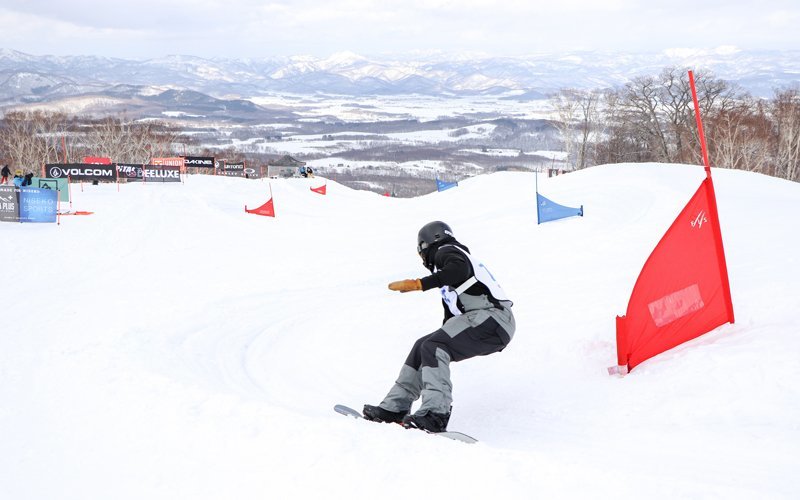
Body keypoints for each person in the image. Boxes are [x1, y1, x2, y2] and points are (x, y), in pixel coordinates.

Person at [363, 221, 515, 433]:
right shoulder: (452, 260)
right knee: (423, 345)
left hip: (492, 318)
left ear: (425, 246)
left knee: (433, 346)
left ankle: (436, 414)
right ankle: (394, 408)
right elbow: (452, 320)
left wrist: (420, 284)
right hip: (486, 321)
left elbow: (458, 269)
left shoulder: (445, 251)